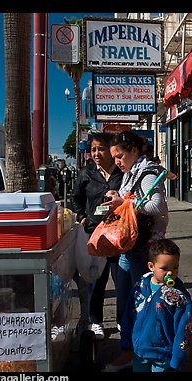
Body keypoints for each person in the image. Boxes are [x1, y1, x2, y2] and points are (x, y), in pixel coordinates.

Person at [102, 131, 169, 372]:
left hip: (143, 246)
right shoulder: (131, 173)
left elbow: (156, 205)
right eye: (115, 157)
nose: (117, 161)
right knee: (126, 300)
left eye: (120, 156)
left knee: (140, 302)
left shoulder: (147, 172)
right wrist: (117, 197)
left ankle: (138, 351)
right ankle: (131, 349)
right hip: (130, 244)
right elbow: (134, 200)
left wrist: (124, 203)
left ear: (133, 150)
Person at [70, 132, 124, 340]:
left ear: (110, 150)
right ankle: (95, 321)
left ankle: (122, 320)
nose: (96, 153)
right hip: (95, 235)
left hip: (119, 234)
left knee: (122, 281)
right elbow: (76, 199)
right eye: (93, 149)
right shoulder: (87, 172)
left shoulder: (122, 172)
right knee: (95, 281)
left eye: (100, 148)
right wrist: (83, 218)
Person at [120, 238, 192, 372]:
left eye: (175, 267)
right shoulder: (140, 285)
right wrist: (126, 341)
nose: (170, 273)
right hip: (140, 351)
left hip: (163, 354)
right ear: (151, 266)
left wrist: (177, 358)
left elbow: (184, 328)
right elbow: (128, 315)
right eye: (164, 268)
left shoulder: (178, 296)